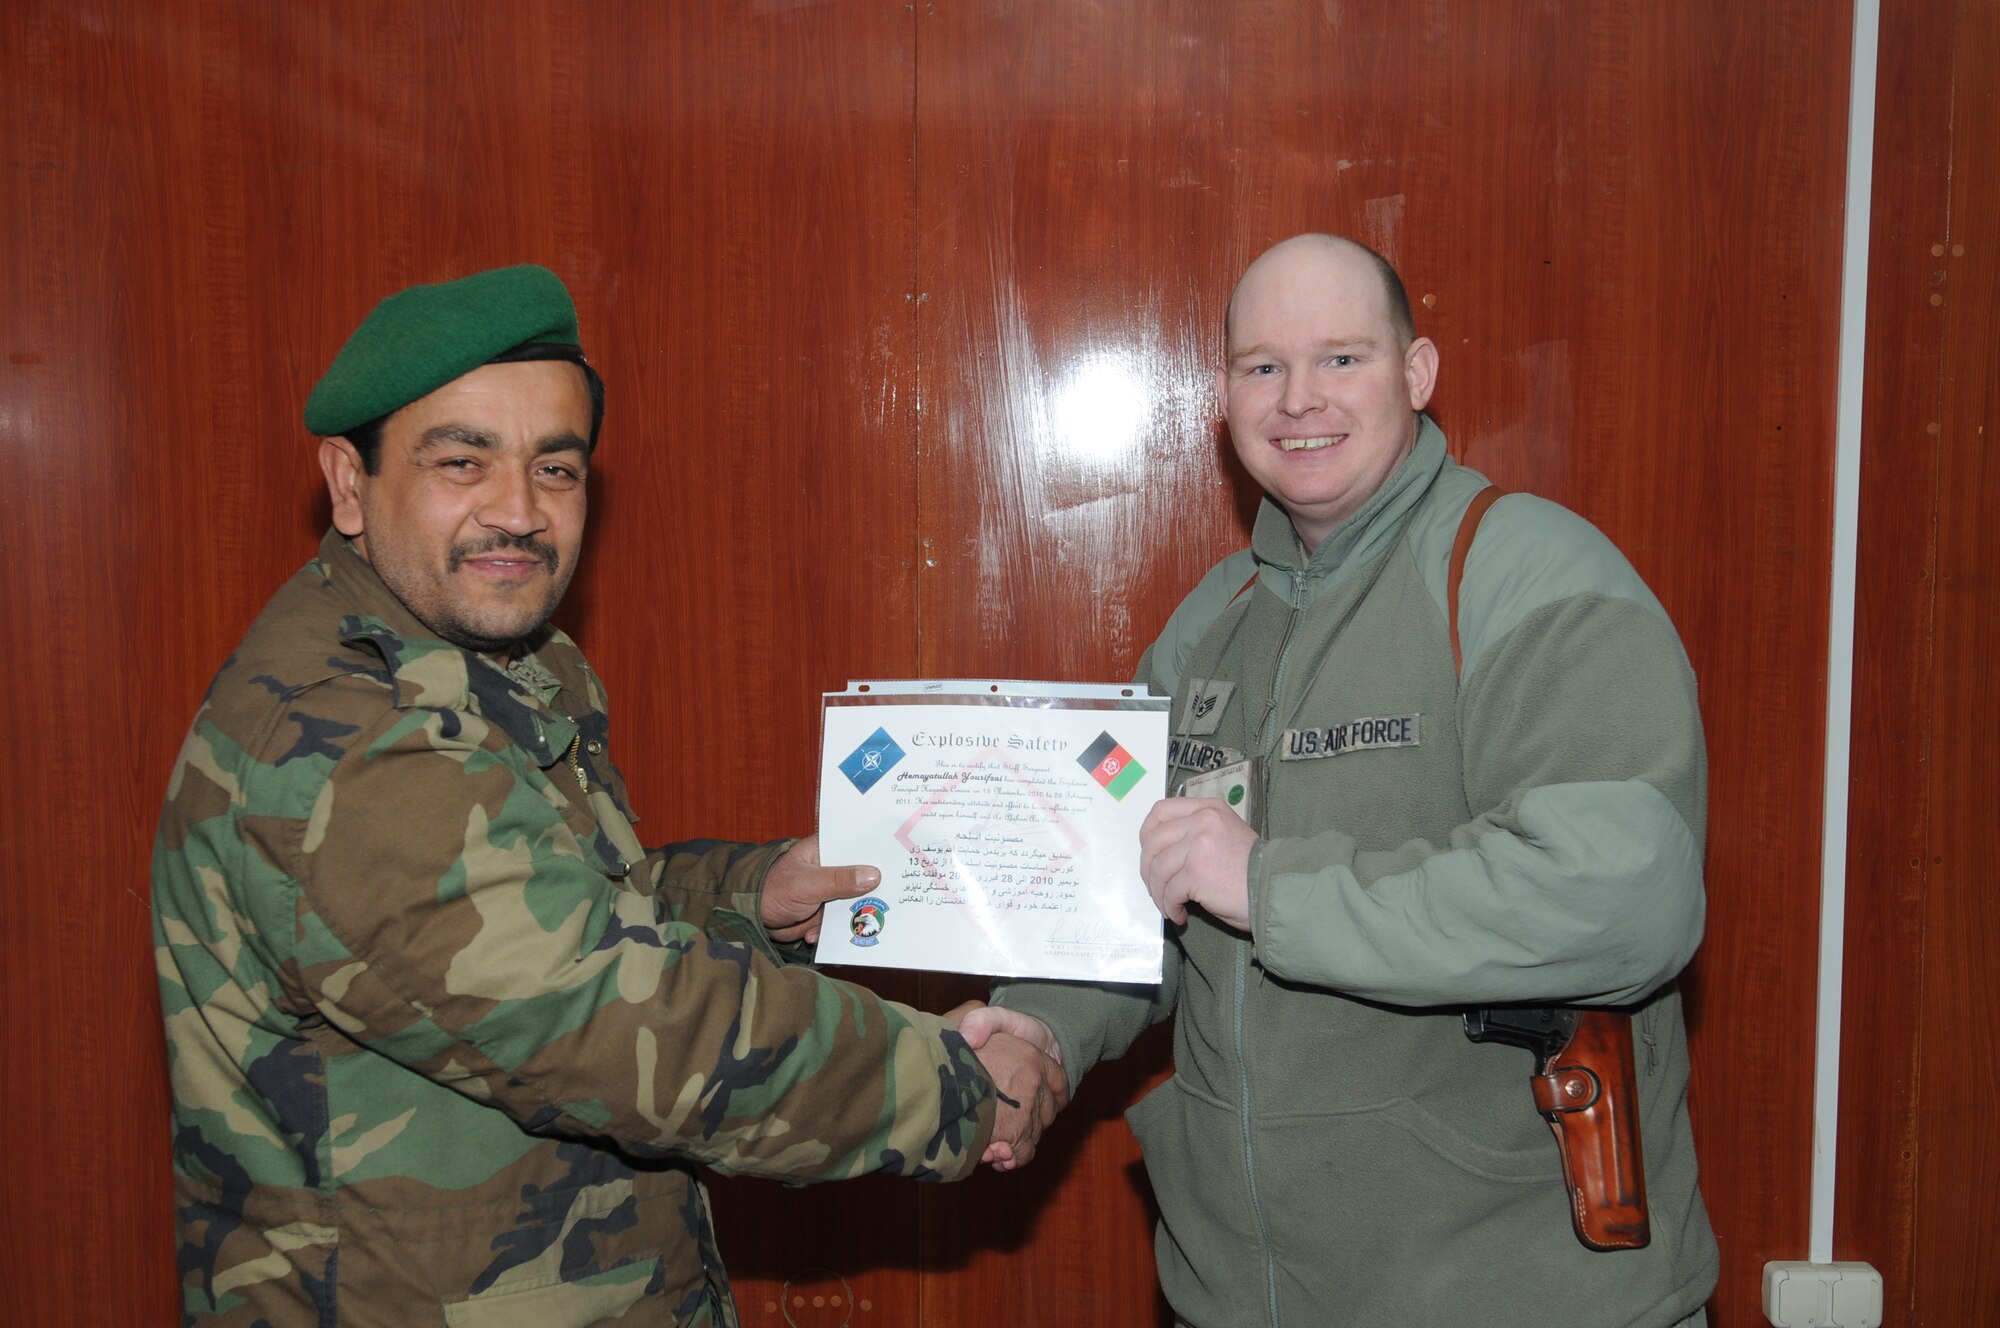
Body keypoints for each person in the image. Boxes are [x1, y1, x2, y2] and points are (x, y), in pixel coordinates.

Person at [151, 264, 1064, 1327]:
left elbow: (567, 910)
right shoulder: (344, 741)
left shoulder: (497, 660)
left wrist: (747, 895)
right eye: (461, 461)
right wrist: (949, 1083)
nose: (517, 513)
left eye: (556, 468)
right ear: (349, 483)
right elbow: (608, 1020)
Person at [967, 234, 1719, 1326]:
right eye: (1260, 366)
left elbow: (1623, 897)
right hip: (1233, 1292)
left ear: (1415, 374)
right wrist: (1038, 1026)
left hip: (1512, 1295)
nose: (1296, 399)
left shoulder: (1525, 575)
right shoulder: (1209, 630)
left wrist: (1271, 887)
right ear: (1221, 397)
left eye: (1340, 359)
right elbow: (1135, 899)